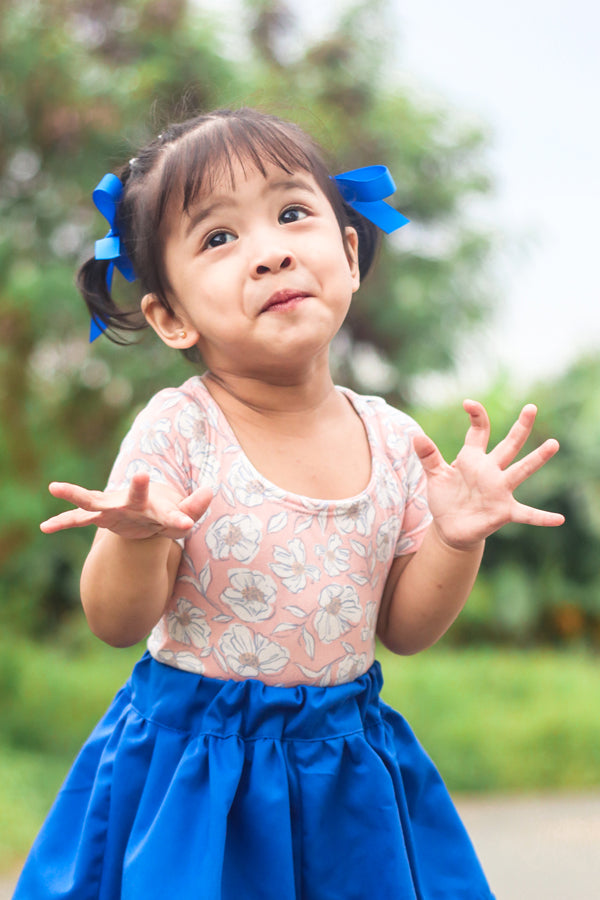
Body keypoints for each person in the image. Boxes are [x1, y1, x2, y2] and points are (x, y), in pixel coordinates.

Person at [13, 107, 563, 900]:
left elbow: (404, 630)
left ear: (348, 254)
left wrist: (456, 536)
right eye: (217, 238)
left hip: (346, 774)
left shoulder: (392, 436)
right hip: (196, 777)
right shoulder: (182, 428)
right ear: (170, 317)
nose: (270, 252)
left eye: (293, 214)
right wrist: (134, 539)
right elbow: (115, 622)